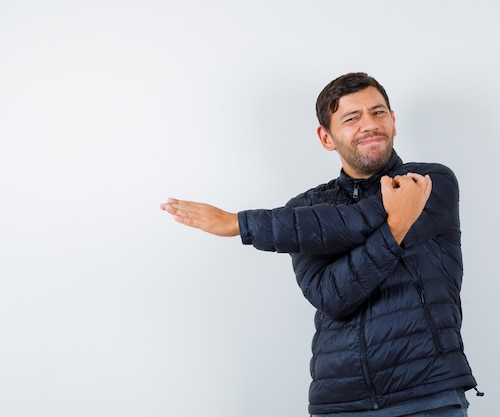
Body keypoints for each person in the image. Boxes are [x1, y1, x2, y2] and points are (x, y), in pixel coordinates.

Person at [160, 72, 481, 416]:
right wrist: (397, 227)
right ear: (326, 137)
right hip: (340, 402)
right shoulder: (304, 211)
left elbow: (353, 221)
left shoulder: (428, 181)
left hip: (427, 395)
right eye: (352, 118)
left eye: (378, 112)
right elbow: (333, 296)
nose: (369, 124)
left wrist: (238, 223)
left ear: (393, 121)